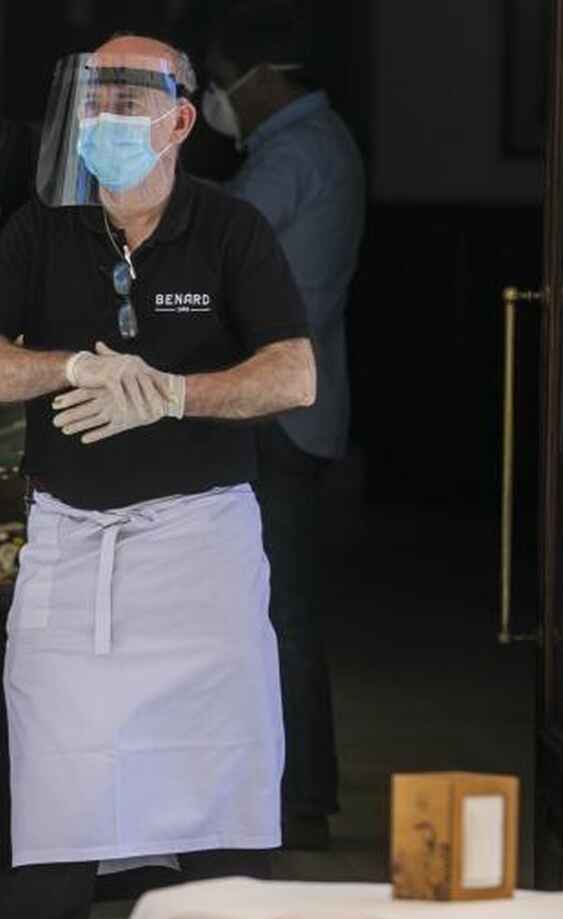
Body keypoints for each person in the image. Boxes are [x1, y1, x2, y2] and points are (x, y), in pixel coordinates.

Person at [0, 33, 315, 919]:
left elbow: (294, 375)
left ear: (180, 120)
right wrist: (70, 365)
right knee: (57, 807)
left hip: (200, 559)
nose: (105, 120)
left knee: (220, 804)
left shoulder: (231, 229)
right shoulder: (43, 230)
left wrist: (176, 393)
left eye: (126, 101)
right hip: (72, 555)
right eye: (95, 101)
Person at [201, 0, 366, 851]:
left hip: (278, 408)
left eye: (220, 82)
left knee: (281, 611)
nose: (215, 98)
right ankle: (289, 790)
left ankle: (300, 800)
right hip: (296, 401)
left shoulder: (295, 152)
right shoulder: (305, 145)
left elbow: (222, 241)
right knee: (277, 606)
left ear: (262, 79)